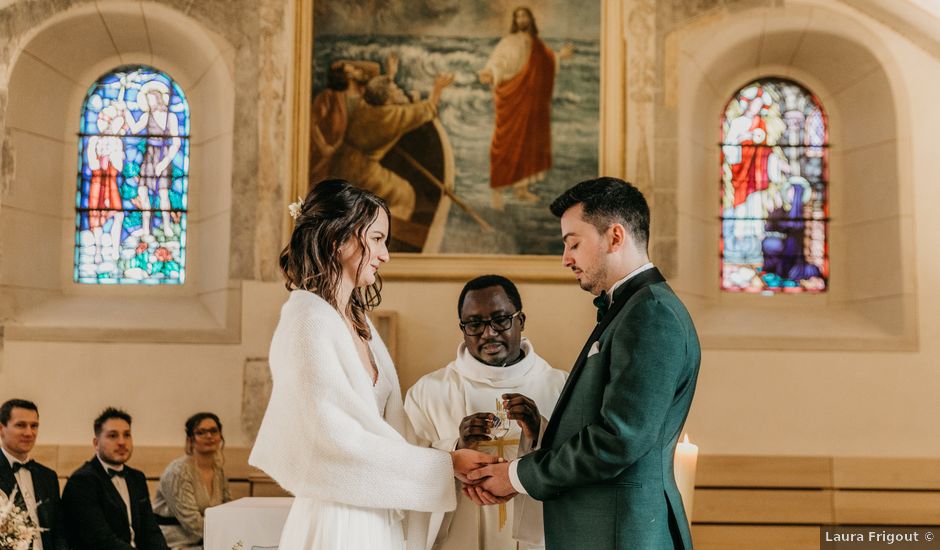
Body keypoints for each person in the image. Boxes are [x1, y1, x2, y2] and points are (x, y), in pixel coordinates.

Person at [248, 179, 498, 550]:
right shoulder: (307, 321)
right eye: (377, 239)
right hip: (339, 516)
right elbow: (332, 439)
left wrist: (451, 456)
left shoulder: (358, 321)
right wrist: (444, 466)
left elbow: (388, 429)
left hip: (376, 510)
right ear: (339, 239)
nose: (385, 255)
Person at [467, 177, 701, 550]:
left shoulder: (651, 314)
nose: (566, 259)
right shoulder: (630, 309)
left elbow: (620, 438)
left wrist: (517, 476)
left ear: (615, 237)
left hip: (624, 535)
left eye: (573, 243)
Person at [405, 275, 567, 550]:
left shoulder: (561, 386)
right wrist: (454, 450)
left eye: (500, 319)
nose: (488, 333)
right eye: (474, 324)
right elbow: (404, 468)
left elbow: (579, 465)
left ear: (521, 320)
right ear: (462, 328)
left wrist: (540, 433)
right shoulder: (428, 392)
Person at [479, 6, 573, 210]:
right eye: (518, 16)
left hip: (531, 104)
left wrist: (559, 57)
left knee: (528, 146)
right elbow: (497, 62)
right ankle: (497, 191)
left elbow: (547, 62)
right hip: (512, 99)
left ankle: (521, 189)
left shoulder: (537, 44)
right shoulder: (508, 42)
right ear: (514, 20)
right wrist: (489, 72)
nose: (521, 19)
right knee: (505, 143)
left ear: (530, 19)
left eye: (525, 15)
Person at [329, 73, 454, 219]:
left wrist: (391, 75)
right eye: (396, 89)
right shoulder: (391, 115)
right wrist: (438, 88)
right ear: (388, 99)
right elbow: (428, 109)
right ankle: (389, 233)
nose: (400, 90)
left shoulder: (364, 105)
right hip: (362, 170)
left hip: (341, 160)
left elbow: (389, 96)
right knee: (404, 194)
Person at [62, 407, 169, 550]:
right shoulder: (82, 481)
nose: (122, 442)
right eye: (113, 436)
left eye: (127, 435)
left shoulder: (136, 478)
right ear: (96, 443)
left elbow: (151, 531)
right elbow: (100, 540)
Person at [310, 55, 396, 187]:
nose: (360, 70)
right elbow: (313, 123)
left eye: (359, 68)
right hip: (329, 157)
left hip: (354, 156)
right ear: (347, 75)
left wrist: (389, 74)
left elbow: (374, 69)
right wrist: (324, 148)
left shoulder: (365, 95)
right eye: (354, 69)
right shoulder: (329, 96)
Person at [152, 412, 232, 549]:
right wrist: (225, 538)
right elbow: (191, 522)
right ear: (191, 439)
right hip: (173, 543)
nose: (209, 436)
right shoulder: (178, 472)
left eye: (214, 431)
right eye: (201, 432)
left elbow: (228, 509)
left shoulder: (218, 470)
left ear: (220, 436)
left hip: (206, 542)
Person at [0, 399, 68, 550]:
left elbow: (59, 531)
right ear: (1, 429)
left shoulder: (48, 477)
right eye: (20, 425)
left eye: (34, 426)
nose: (29, 433)